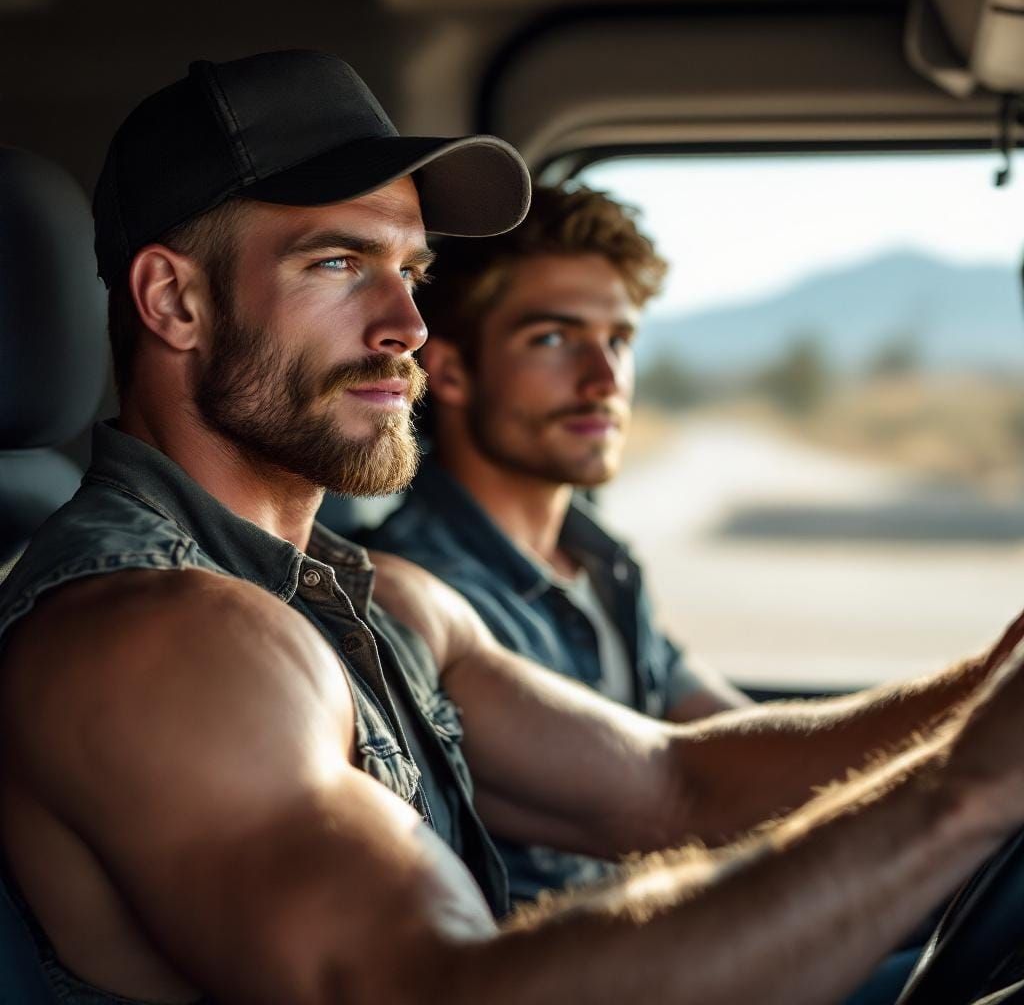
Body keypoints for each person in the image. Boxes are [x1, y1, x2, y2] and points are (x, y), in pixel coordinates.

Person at [1, 49, 1024, 1005]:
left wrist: (997, 680)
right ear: (174, 301)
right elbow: (436, 987)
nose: (408, 326)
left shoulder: (382, 601)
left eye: (411, 271)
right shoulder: (150, 643)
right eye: (339, 263)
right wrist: (962, 798)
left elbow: (675, 785)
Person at [363, 184, 750, 900]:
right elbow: (683, 791)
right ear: (450, 371)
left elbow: (736, 737)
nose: (604, 380)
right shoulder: (415, 595)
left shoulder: (600, 561)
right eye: (552, 338)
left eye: (619, 341)